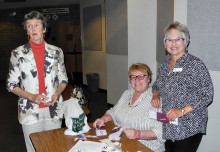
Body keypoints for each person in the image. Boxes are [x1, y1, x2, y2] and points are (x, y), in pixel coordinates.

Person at [6, 11, 68, 152]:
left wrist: (57, 93)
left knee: (53, 147)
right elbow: (11, 84)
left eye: (36, 25)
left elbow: (63, 79)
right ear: (26, 30)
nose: (33, 29)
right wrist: (32, 96)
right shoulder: (18, 53)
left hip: (53, 109)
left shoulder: (57, 52)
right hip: (29, 110)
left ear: (44, 28)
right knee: (34, 148)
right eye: (29, 26)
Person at [151, 21, 213, 152]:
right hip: (169, 122)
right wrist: (155, 94)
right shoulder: (164, 65)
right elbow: (157, 84)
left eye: (178, 39)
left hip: (189, 124)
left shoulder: (195, 64)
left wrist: (181, 111)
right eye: (169, 40)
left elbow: (207, 95)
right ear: (165, 43)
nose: (173, 43)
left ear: (186, 42)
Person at [93, 63, 165, 152]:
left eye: (141, 77)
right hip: (121, 141)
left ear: (149, 78)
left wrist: (138, 134)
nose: (137, 80)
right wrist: (103, 119)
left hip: (146, 147)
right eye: (133, 77)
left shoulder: (157, 100)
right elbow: (114, 111)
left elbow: (162, 130)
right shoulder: (127, 93)